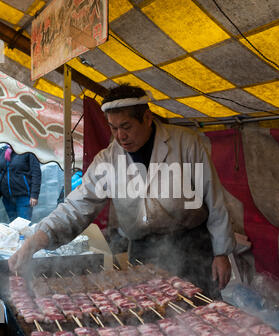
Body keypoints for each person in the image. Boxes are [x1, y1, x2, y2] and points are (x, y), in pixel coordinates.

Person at [8, 84, 235, 297]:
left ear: (147, 118)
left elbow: (214, 199)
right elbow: (77, 206)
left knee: (199, 310)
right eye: (113, 128)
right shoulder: (108, 160)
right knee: (151, 315)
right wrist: (36, 239)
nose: (120, 136)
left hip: (192, 245)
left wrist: (221, 253)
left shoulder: (186, 144)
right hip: (144, 250)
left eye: (126, 127)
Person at [0, 145, 41, 222]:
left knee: (23, 224)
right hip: (7, 197)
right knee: (13, 225)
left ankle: (24, 235)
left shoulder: (27, 150)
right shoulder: (3, 151)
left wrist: (34, 195)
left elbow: (36, 173)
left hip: (23, 196)